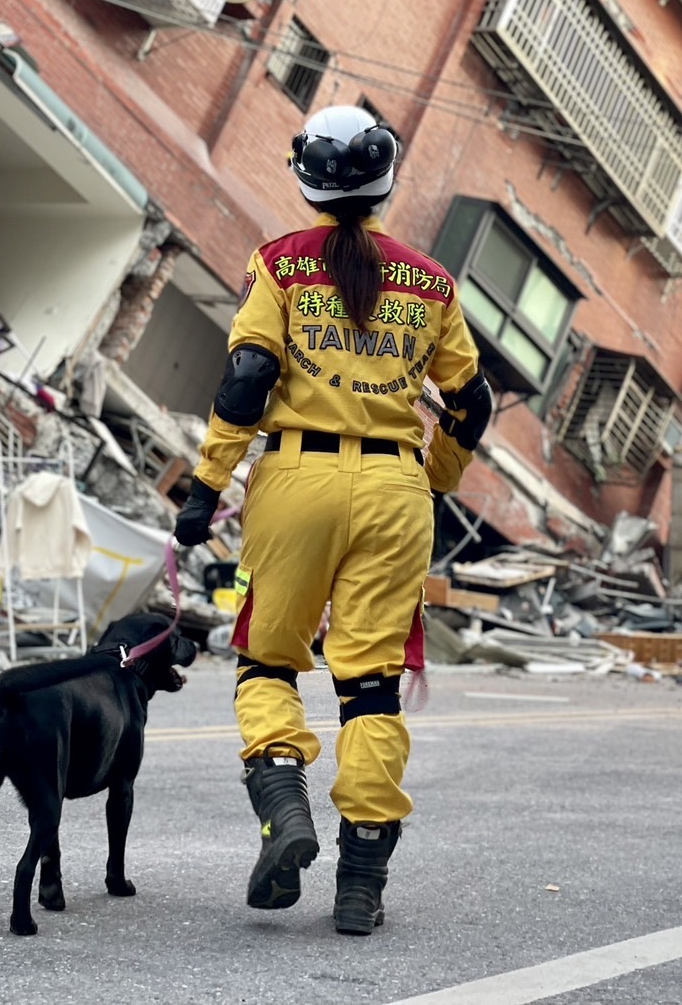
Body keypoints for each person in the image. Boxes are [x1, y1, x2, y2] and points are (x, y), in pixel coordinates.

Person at [174, 105, 491, 935]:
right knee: (370, 686)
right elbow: (470, 400)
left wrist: (205, 488)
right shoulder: (433, 282)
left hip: (294, 481)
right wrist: (434, 479)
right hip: (395, 493)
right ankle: (359, 886)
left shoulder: (279, 265)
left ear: (305, 178)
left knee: (268, 663)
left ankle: (287, 813)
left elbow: (246, 379)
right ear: (386, 179)